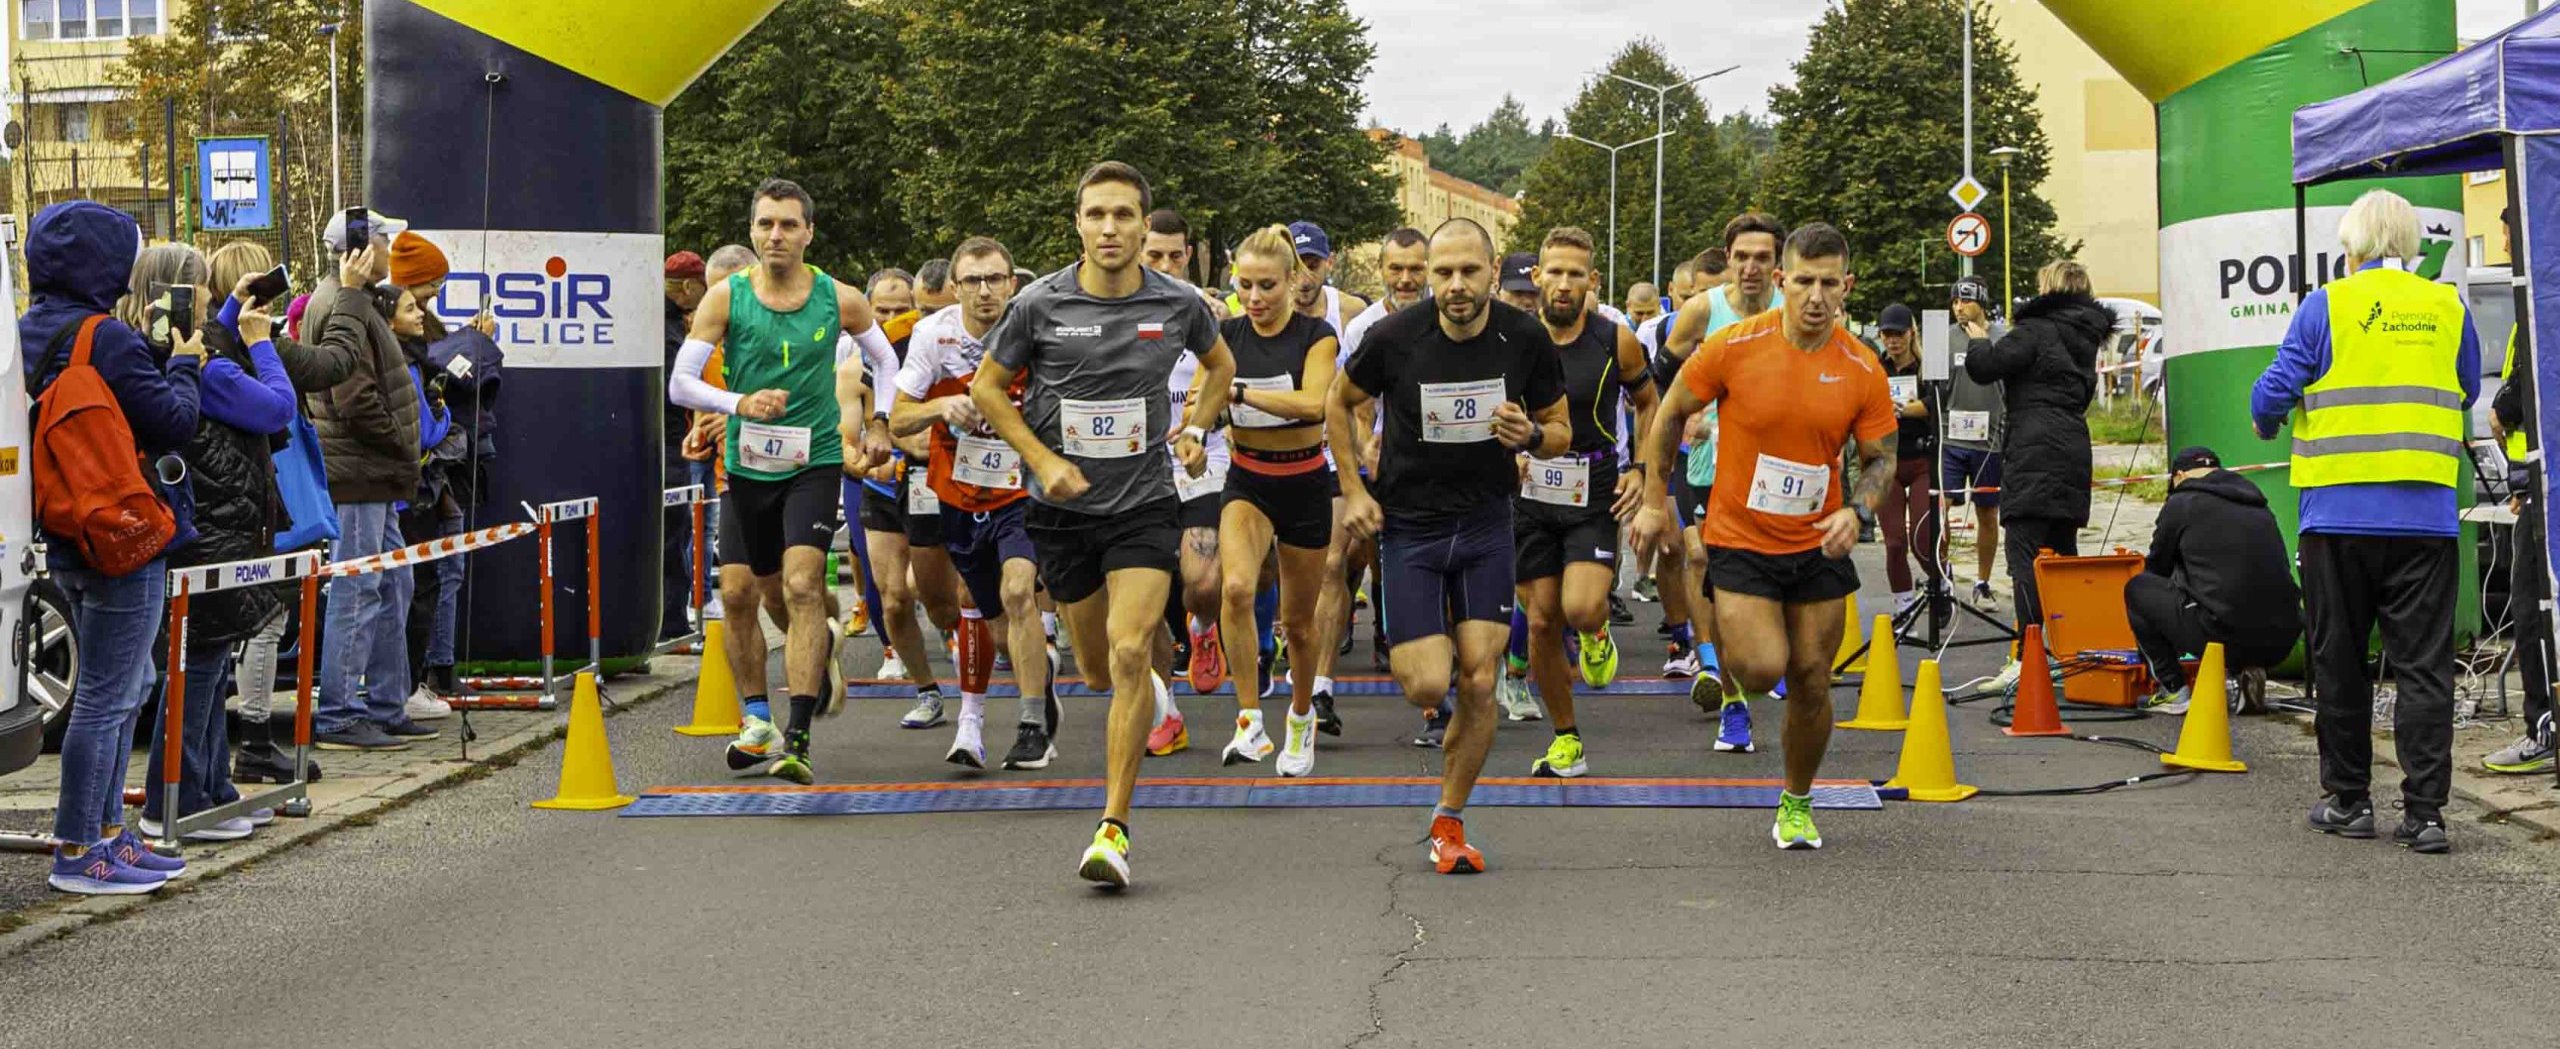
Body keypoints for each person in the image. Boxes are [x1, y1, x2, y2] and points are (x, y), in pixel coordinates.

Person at [969, 161, 1234, 888]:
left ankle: (1113, 826)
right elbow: (988, 389)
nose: (1110, 228)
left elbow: (1220, 366)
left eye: (1123, 215)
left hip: (1144, 503)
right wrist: (1041, 459)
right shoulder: (1038, 303)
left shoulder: (1177, 302)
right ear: (1078, 224)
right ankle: (1092, 671)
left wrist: (1196, 426)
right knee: (1095, 669)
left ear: (1145, 224)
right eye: (1096, 214)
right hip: (1062, 510)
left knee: (1128, 652)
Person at [1632, 222, 1897, 851]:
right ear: (1782, 280)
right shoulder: (1734, 345)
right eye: (1803, 281)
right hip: (1741, 536)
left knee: (1811, 677)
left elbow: (1881, 458)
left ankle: (1797, 802)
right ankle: (1726, 649)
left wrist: (1857, 513)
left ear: (1847, 286)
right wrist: (1652, 501)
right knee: (1759, 669)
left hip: (1818, 539)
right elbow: (1670, 412)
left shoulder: (1861, 366)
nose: (1815, 297)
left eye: (1828, 284)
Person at [1330, 217, 1568, 874]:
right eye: (1444, 272)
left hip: (1487, 523)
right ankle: (1445, 693)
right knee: (1428, 682)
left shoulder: (1523, 337)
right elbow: (1337, 402)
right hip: (1412, 525)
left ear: (1493, 271)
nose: (1456, 285)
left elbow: (1561, 429)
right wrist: (1353, 489)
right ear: (1430, 276)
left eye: (1469, 271)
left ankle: (1450, 816)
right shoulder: (1394, 338)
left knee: (1482, 680)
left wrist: (1531, 436)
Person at [2251, 188, 2479, 854]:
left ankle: (2349, 801)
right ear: (2410, 244)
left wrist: (2267, 421)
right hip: (2426, 521)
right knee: (2424, 667)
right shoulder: (2448, 306)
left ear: (2350, 246)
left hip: (2338, 518)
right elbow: (2466, 388)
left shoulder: (2326, 305)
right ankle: (2426, 814)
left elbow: (2273, 392)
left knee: (2340, 660)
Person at [668, 177, 891, 785]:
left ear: (808, 232)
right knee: (743, 594)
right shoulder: (725, 298)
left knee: (799, 586)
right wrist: (737, 404)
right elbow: (681, 383)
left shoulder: (838, 298)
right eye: (766, 223)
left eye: (789, 224)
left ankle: (798, 738)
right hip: (745, 467)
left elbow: (885, 359)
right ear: (752, 230)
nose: (776, 235)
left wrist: (881, 422)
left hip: (812, 461)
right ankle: (758, 718)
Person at [24, 202, 203, 893]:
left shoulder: (27, 332)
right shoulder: (108, 337)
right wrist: (182, 365)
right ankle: (80, 848)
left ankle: (106, 833)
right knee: (108, 695)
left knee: (124, 685)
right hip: (125, 534)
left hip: (67, 528)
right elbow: (174, 423)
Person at [137, 242, 299, 844]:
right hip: (215, 528)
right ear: (183, 293)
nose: (209, 297)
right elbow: (277, 408)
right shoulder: (207, 369)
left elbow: (208, 336)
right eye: (204, 286)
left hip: (213, 522)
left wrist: (235, 309)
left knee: (206, 664)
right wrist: (261, 343)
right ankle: (176, 798)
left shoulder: (167, 349)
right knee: (199, 670)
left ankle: (210, 790)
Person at [890, 237, 1061, 770]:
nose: (984, 291)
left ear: (1012, 283)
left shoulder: (1035, 328)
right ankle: (1040, 678)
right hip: (959, 492)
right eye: (972, 281)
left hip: (1021, 490)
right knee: (996, 624)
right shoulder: (932, 335)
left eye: (995, 279)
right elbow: (899, 420)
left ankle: (1031, 726)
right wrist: (942, 407)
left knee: (1019, 590)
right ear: (954, 287)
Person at [1514, 227, 1656, 778]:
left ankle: (1596, 631)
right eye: (1555, 272)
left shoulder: (1614, 339)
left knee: (1580, 607)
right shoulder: (1513, 337)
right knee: (1541, 622)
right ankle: (1566, 738)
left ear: (1592, 280)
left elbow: (1649, 403)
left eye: (1576, 274)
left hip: (1592, 484)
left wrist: (1640, 469)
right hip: (1530, 492)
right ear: (1537, 276)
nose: (1564, 283)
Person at [1206, 225, 1341, 774]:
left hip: (1304, 482)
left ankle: (1302, 718)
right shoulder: (1226, 336)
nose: (1256, 297)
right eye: (1245, 286)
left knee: (1299, 623)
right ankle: (1249, 720)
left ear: (1291, 281)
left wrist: (1239, 392)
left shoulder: (1317, 335)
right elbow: (1203, 401)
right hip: (1249, 479)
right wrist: (1193, 432)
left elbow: (1313, 404)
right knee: (1236, 588)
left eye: (1267, 285)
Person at [1663, 213, 1789, 745]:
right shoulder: (1703, 310)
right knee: (1708, 566)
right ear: (1729, 257)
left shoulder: (1796, 308)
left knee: (1774, 572)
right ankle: (1728, 694)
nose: (1751, 267)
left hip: (1780, 468)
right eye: (1742, 257)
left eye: (1763, 257)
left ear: (1779, 263)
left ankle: (1769, 656)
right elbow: (1660, 376)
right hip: (1710, 466)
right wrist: (1685, 411)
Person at [310, 208, 431, 753]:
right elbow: (353, 397)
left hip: (373, 471)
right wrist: (400, 443)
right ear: (360, 248)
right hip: (361, 469)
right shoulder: (343, 303)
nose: (390, 250)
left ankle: (385, 703)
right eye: (384, 240)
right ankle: (339, 713)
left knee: (392, 582)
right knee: (358, 588)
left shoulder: (354, 300)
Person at [1964, 259, 2108, 678]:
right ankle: (2067, 651)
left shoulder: (2036, 329)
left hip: (2033, 447)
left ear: (2051, 289)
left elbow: (1985, 367)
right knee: (2062, 553)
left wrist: (1979, 340)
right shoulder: (2087, 338)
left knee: (2024, 553)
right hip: (2073, 446)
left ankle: (2027, 657)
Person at [1138, 207, 1230, 756]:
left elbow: (1228, 369)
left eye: (1176, 256)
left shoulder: (1206, 310)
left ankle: (1202, 627)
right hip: (1139, 467)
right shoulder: (1114, 307)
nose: (1166, 266)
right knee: (1145, 607)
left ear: (1190, 255)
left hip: (1202, 458)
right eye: (1155, 255)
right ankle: (1166, 712)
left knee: (1203, 582)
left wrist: (1200, 424)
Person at [2125, 446, 2302, 713]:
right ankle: (2246, 672)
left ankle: (2173, 691)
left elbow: (2156, 570)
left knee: (2138, 589)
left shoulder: (2181, 503)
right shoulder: (2257, 503)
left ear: (2179, 476)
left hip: (2222, 635)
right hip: (2282, 637)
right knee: (2230, 591)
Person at [1330, 226, 1430, 688]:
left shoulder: (1443, 317)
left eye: (1415, 269)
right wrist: (1366, 444)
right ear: (1382, 269)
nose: (1406, 279)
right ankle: (1377, 627)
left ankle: (1409, 635)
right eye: (1396, 269)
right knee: (1370, 549)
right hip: (1381, 453)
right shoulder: (1362, 328)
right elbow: (1352, 401)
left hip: (1431, 455)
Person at [385, 233, 463, 723]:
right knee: (415, 587)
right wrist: (443, 411)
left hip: (411, 487)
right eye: (416, 303)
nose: (425, 310)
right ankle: (405, 686)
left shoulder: (404, 350)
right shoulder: (405, 358)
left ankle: (402, 685)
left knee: (415, 586)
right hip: (409, 490)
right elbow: (425, 429)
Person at [2486, 207, 2553, 774]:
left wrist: (2503, 407)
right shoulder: (2529, 305)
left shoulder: (2541, 302)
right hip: (2535, 484)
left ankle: (2543, 728)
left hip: (2546, 488)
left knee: (2532, 610)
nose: (2504, 245)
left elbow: (2530, 384)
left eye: (2508, 234)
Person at [1940, 276, 2008, 610]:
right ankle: (1942, 576)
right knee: (1940, 510)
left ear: (1981, 302)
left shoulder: (2003, 338)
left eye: (1965, 301)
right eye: (1954, 302)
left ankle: (1982, 582)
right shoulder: (1944, 338)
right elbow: (1932, 389)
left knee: (1987, 513)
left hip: (1989, 441)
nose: (1958, 308)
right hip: (1950, 439)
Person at [1873, 304, 1944, 616]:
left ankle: (1941, 582)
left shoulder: (1927, 367)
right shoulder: (1875, 367)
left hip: (1921, 462)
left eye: (1898, 334)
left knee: (1922, 538)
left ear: (1911, 333)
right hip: (1886, 462)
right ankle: (1903, 606)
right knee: (1894, 542)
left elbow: (1940, 402)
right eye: (1887, 334)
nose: (1893, 340)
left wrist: (1913, 409)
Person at [662, 250, 711, 643]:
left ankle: (673, 619)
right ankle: (672, 622)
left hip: (674, 441)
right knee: (674, 534)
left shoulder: (667, 326)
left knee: (679, 533)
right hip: (672, 444)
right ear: (689, 287)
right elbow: (677, 391)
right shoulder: (669, 334)